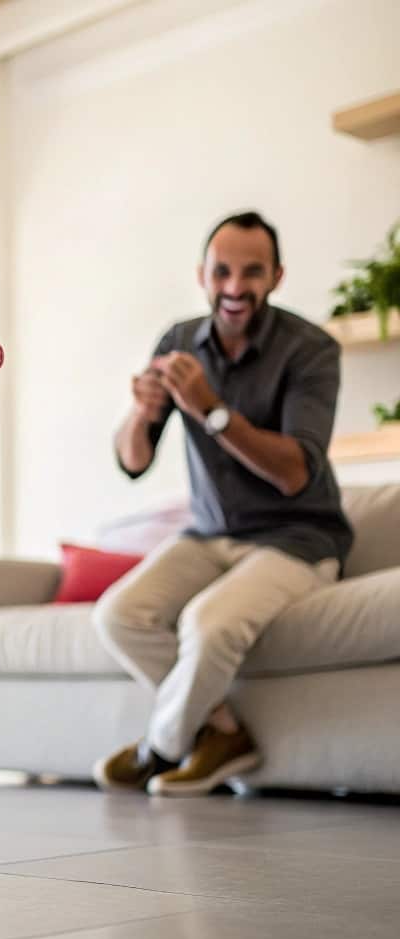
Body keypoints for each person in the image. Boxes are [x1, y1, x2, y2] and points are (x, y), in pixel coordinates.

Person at [92, 210, 353, 797]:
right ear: (202, 274)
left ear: (277, 276)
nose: (235, 287)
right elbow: (133, 461)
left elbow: (294, 474)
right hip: (209, 534)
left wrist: (211, 409)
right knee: (118, 615)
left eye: (252, 273)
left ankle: (157, 747)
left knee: (207, 625)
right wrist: (143, 410)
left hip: (299, 539)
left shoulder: (312, 352)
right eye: (223, 272)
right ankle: (223, 732)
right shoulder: (180, 341)